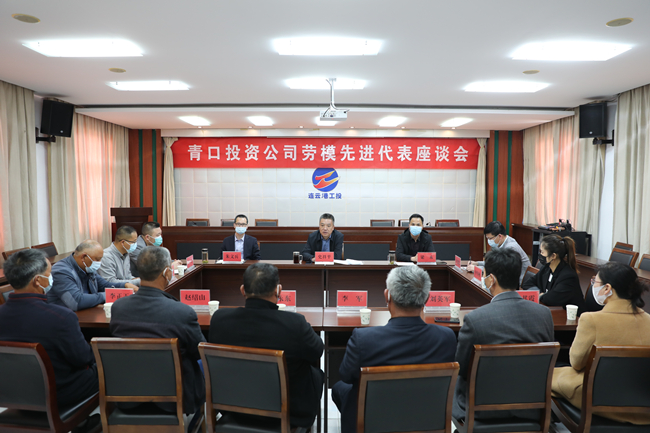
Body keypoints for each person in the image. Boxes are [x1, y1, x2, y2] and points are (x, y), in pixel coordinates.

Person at [332, 265, 456, 433]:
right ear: (426, 298)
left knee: (340, 388)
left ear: (387, 295)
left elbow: (346, 376)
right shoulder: (446, 337)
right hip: (426, 418)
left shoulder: (364, 339)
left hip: (376, 421)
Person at [209, 263, 324, 428]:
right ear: (278, 291)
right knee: (315, 372)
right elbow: (317, 351)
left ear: (242, 290)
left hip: (233, 408)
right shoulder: (294, 323)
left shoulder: (219, 319)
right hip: (287, 413)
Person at [454, 248, 554, 422]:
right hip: (532, 408)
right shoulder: (544, 315)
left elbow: (461, 367)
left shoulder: (475, 320)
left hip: (482, 410)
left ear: (491, 280)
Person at [110, 246, 206, 420]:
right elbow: (200, 351)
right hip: (175, 398)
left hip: (128, 393)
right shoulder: (182, 312)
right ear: (167, 272)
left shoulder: (118, 307)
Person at [0, 250, 99, 412]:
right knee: (107, 365)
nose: (52, 278)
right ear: (38, 280)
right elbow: (83, 359)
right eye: (49, 274)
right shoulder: (61, 317)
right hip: (58, 393)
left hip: (11, 393)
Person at [552, 262, 650, 425]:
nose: (593, 286)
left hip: (598, 398)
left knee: (546, 375)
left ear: (607, 288)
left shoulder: (591, 319)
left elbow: (576, 363)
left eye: (595, 282)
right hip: (643, 403)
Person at [48, 240, 137, 311]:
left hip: (87, 313)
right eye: (97, 259)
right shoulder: (61, 271)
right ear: (83, 257)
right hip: (65, 319)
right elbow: (76, 302)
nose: (99, 263)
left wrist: (125, 286)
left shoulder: (87, 267)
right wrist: (108, 295)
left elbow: (104, 285)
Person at [521, 234, 586, 314]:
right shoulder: (546, 268)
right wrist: (538, 293)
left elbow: (552, 299)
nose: (540, 254)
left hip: (571, 317)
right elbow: (527, 283)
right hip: (552, 311)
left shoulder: (568, 276)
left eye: (542, 252)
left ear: (553, 256)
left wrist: (541, 295)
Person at [467, 221, 531, 284]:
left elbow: (499, 269)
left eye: (490, 238)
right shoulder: (499, 243)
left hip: (518, 283)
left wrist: (478, 269)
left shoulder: (511, 247)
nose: (489, 241)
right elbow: (493, 263)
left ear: (500, 236)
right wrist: (477, 263)